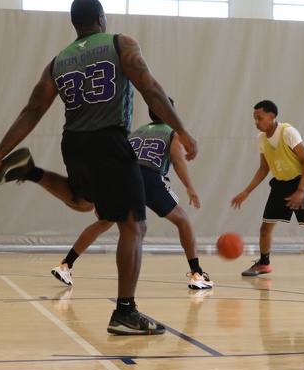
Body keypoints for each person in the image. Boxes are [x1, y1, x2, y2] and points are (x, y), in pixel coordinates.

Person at [0, 0, 198, 336]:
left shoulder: (58, 61)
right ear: (100, 19)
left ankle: (29, 170)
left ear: (75, 24)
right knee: (133, 227)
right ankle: (125, 312)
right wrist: (181, 129)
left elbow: (32, 110)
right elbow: (149, 86)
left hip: (74, 142)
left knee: (85, 203)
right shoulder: (119, 42)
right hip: (108, 140)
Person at [49, 100, 213, 291]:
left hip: (120, 177)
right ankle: (197, 274)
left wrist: (102, 192)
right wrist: (189, 187)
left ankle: (65, 265)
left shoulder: (137, 132)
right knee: (183, 221)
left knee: (105, 222)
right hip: (147, 178)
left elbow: (112, 160)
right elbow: (177, 158)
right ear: (170, 113)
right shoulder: (172, 132)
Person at [230, 100, 304, 278]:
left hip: (301, 183)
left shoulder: (288, 132)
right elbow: (264, 168)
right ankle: (264, 263)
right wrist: (246, 191)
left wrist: (300, 191)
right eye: (255, 118)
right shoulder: (261, 139)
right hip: (280, 185)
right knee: (265, 228)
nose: (256, 122)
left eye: (259, 118)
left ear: (272, 117)